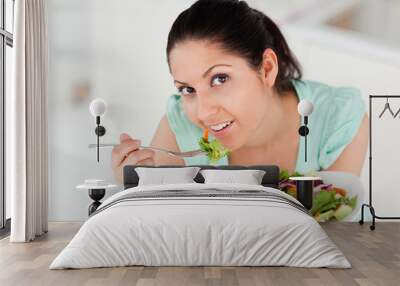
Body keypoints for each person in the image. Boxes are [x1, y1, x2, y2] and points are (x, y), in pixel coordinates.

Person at [112, 0, 368, 184]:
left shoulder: (339, 121)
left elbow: (334, 231)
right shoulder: (179, 126)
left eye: (219, 78)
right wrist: (138, 194)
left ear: (267, 69)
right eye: (188, 89)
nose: (203, 112)